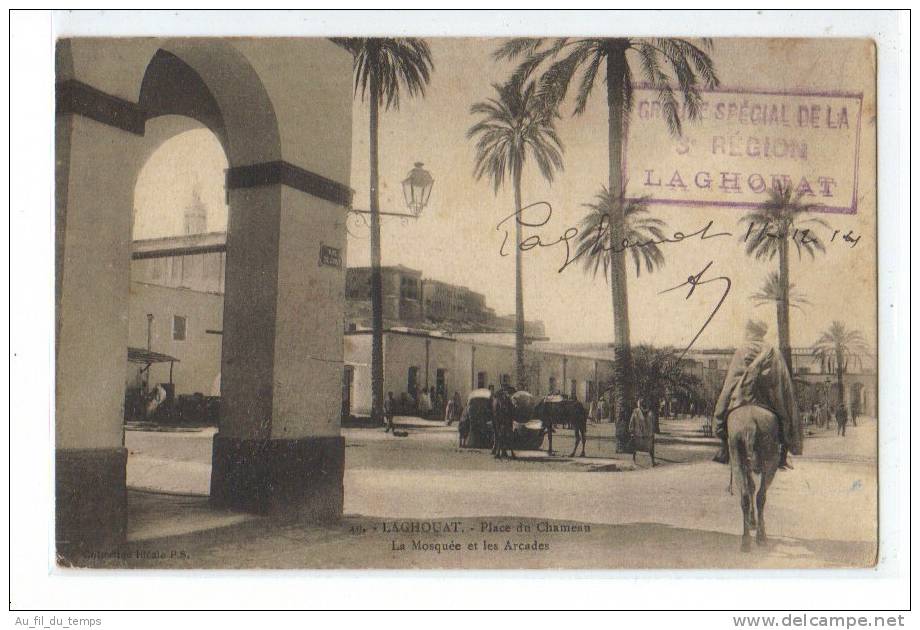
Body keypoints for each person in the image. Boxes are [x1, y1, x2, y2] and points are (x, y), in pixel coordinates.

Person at [712, 319, 801, 469]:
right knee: (786, 420)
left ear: (750, 332)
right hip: (770, 401)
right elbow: (783, 382)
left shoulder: (741, 350)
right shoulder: (774, 352)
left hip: (742, 399)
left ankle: (724, 448)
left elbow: (730, 383)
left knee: (721, 415)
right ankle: (784, 455)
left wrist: (720, 412)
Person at [629, 397, 656, 466]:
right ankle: (634, 460)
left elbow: (653, 423)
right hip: (638, 434)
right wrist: (632, 432)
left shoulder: (650, 413)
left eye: (645, 403)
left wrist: (653, 432)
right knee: (635, 448)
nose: (644, 404)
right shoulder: (636, 412)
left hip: (648, 434)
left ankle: (653, 461)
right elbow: (632, 422)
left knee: (650, 448)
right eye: (642, 403)